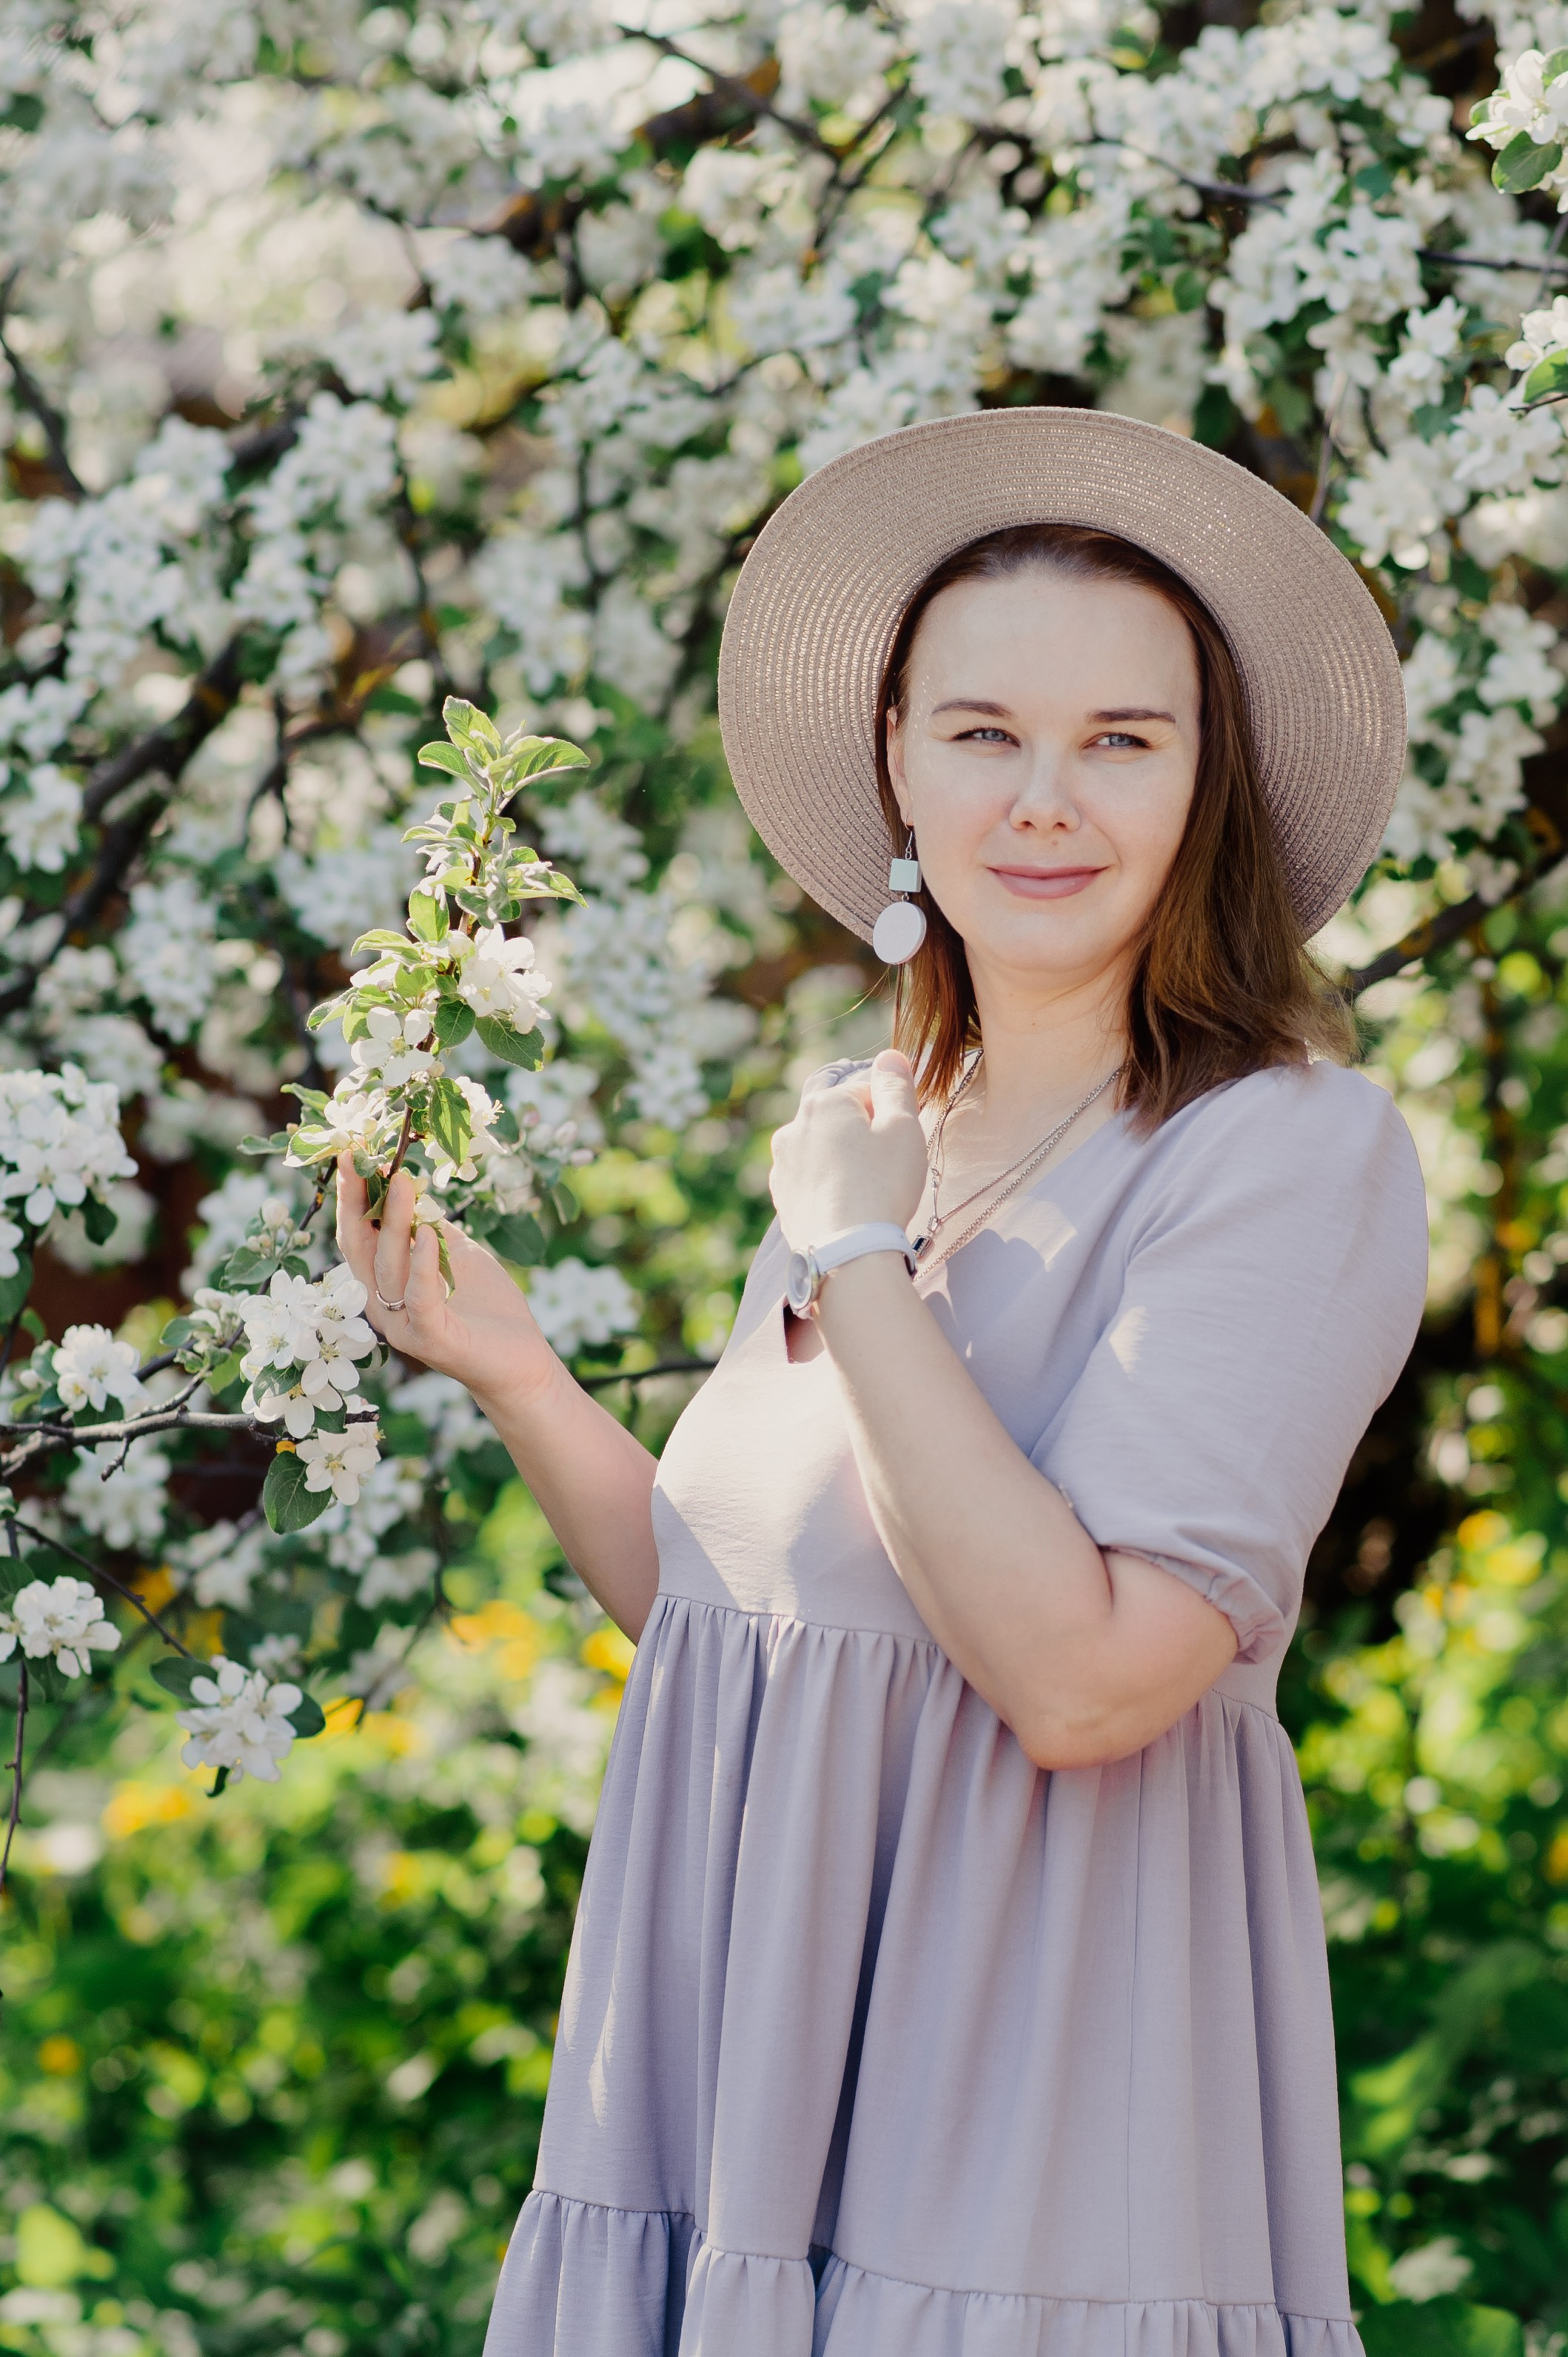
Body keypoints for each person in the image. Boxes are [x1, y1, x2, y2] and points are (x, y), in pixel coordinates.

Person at [338, 408, 1430, 2357]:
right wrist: (514, 1374)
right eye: (984, 733)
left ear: (1210, 787)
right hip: (736, 2117)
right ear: (897, 766)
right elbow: (754, 1631)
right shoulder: (869, 1124)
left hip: (1025, 2150)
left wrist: (857, 1266)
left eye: (1124, 741)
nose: (1046, 802)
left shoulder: (1283, 1153)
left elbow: (1087, 1680)